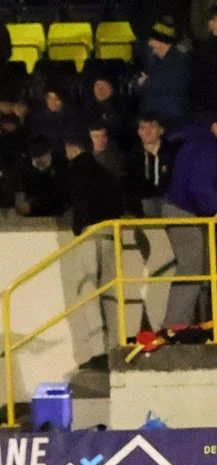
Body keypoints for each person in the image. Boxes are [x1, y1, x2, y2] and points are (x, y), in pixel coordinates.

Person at [159, 112, 217, 330]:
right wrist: (216, 210)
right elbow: (198, 184)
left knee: (199, 268)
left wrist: (213, 194)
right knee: (192, 267)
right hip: (183, 210)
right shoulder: (207, 145)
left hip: (180, 207)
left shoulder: (195, 140)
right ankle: (175, 325)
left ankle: (190, 322)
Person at [64, 133, 126, 338]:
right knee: (110, 288)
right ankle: (117, 337)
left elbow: (78, 200)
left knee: (88, 287)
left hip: (90, 234)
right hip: (108, 232)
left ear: (72, 147)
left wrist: (77, 227)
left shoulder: (75, 170)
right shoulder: (104, 171)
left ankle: (98, 343)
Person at [138, 16, 191, 129]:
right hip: (155, 121)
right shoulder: (154, 59)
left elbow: (173, 85)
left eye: (153, 39)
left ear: (162, 42)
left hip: (172, 121)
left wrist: (146, 83)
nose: (149, 43)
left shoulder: (181, 60)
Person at [126, 113, 173, 215]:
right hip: (143, 205)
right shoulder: (132, 156)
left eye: (152, 127)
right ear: (138, 132)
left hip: (169, 202)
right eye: (143, 128)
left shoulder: (173, 153)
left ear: (161, 130)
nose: (147, 132)